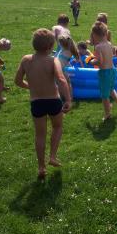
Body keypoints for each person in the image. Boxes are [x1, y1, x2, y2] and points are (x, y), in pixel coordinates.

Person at [14, 29, 72, 180]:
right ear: (50, 46)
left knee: (40, 135)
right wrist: (68, 100)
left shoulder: (26, 60)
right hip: (53, 101)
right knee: (58, 127)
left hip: (37, 102)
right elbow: (61, 79)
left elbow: (17, 81)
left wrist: (30, 86)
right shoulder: (53, 60)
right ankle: (52, 156)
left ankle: (41, 167)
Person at [90, 21, 117, 120]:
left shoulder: (98, 47)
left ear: (95, 35)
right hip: (112, 70)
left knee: (104, 96)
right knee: (111, 88)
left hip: (104, 72)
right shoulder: (109, 44)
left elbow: (100, 62)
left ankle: (107, 114)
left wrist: (92, 61)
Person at [56, 35, 81, 100]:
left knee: (64, 82)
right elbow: (77, 59)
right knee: (66, 82)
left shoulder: (63, 50)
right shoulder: (70, 50)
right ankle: (68, 97)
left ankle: (66, 97)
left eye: (60, 43)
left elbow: (62, 60)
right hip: (62, 68)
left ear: (62, 44)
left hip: (60, 68)